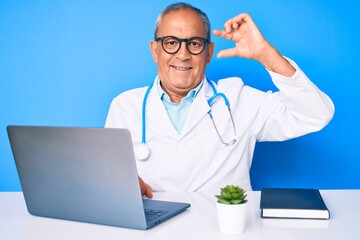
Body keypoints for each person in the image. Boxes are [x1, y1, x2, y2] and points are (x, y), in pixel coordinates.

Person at [105, 2, 334, 198]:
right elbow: (108, 181)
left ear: (209, 52)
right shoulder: (125, 106)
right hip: (152, 231)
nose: (183, 54)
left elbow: (316, 115)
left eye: (194, 43)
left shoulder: (239, 98)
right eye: (171, 42)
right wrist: (121, 186)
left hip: (225, 230)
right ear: (155, 50)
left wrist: (266, 54)